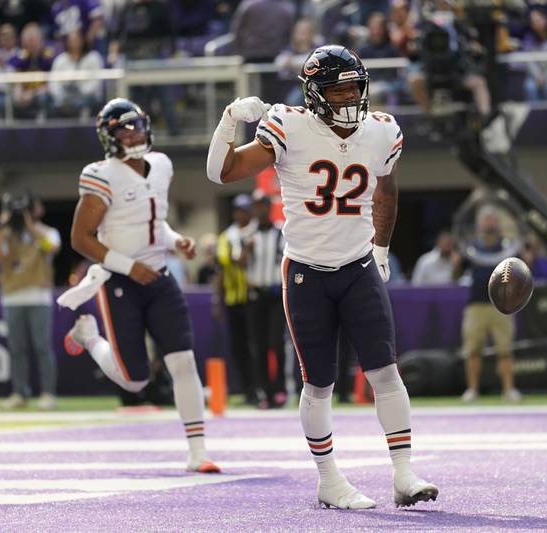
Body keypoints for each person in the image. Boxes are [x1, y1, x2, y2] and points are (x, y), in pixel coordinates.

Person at [206, 45, 437, 509]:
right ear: (315, 95)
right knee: (319, 383)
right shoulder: (289, 127)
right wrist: (231, 118)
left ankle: (403, 474)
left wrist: (382, 246)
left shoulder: (382, 131)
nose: (350, 97)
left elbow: (386, 191)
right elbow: (222, 172)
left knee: (386, 372)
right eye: (338, 89)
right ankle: (329, 480)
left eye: (355, 86)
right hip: (306, 272)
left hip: (358, 266)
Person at [64, 98, 220, 473]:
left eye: (136, 125)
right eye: (123, 128)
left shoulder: (162, 165)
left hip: (159, 278)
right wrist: (128, 267)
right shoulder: (101, 174)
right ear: (109, 136)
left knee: (183, 362)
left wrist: (175, 240)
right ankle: (90, 338)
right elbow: (81, 239)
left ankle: (197, 452)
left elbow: (152, 223)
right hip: (120, 281)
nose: (132, 133)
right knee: (134, 380)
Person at [0, 191, 60, 411]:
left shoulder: (47, 232)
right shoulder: (5, 235)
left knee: (42, 347)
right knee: (16, 349)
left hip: (38, 296)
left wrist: (29, 225)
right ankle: (19, 392)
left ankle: (48, 393)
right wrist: (2, 228)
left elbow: (52, 247)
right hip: (11, 298)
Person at [458, 208, 522, 403]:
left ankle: (509, 389)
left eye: (493, 220)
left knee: (504, 349)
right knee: (472, 349)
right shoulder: (472, 248)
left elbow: (520, 269)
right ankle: (472, 390)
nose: (490, 223)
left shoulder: (507, 247)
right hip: (476, 304)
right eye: (486, 220)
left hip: (501, 304)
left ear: (499, 224)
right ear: (480, 225)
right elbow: (456, 271)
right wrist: (456, 260)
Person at [244, 191, 287, 409]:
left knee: (276, 343)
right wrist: (246, 251)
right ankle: (264, 391)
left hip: (276, 295)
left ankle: (280, 389)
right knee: (258, 345)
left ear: (269, 207)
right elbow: (239, 264)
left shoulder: (281, 233)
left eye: (262, 206)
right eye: (256, 206)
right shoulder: (247, 235)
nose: (259, 211)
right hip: (256, 295)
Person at [216, 193, 258, 405]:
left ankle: (261, 389)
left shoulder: (259, 232)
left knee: (256, 346)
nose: (241, 214)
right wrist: (218, 301)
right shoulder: (227, 237)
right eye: (238, 210)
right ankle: (247, 390)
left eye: (245, 210)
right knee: (238, 347)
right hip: (233, 298)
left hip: (254, 298)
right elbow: (221, 270)